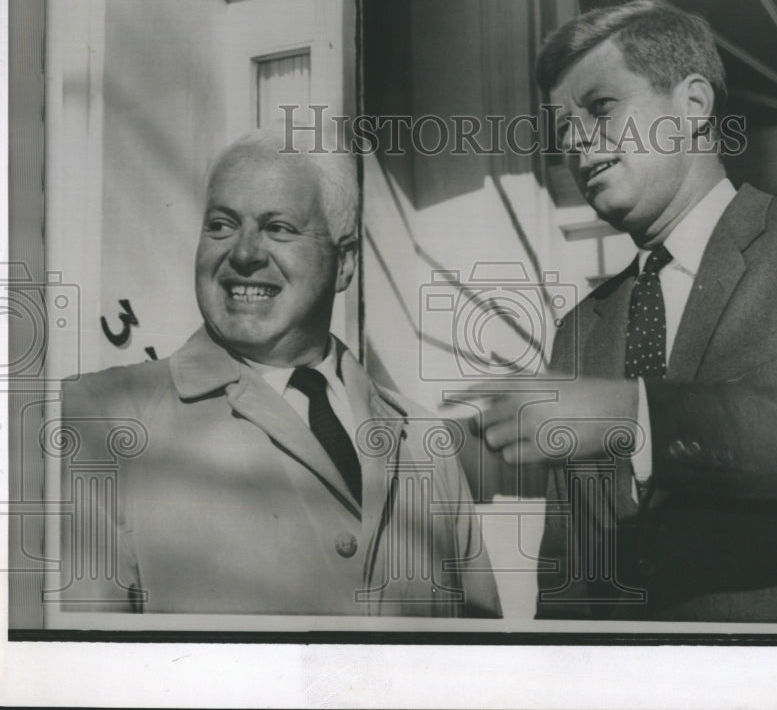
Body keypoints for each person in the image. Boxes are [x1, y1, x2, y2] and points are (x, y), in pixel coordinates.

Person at [477, 0, 777, 622]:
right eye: (563, 128)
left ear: (694, 105)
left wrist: (638, 414)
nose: (576, 143)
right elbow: (573, 572)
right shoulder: (579, 331)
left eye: (600, 108)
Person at [58, 130, 500, 618]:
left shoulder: (425, 441)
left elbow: (478, 659)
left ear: (346, 261)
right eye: (222, 226)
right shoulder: (96, 420)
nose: (244, 253)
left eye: (279, 228)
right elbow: (80, 666)